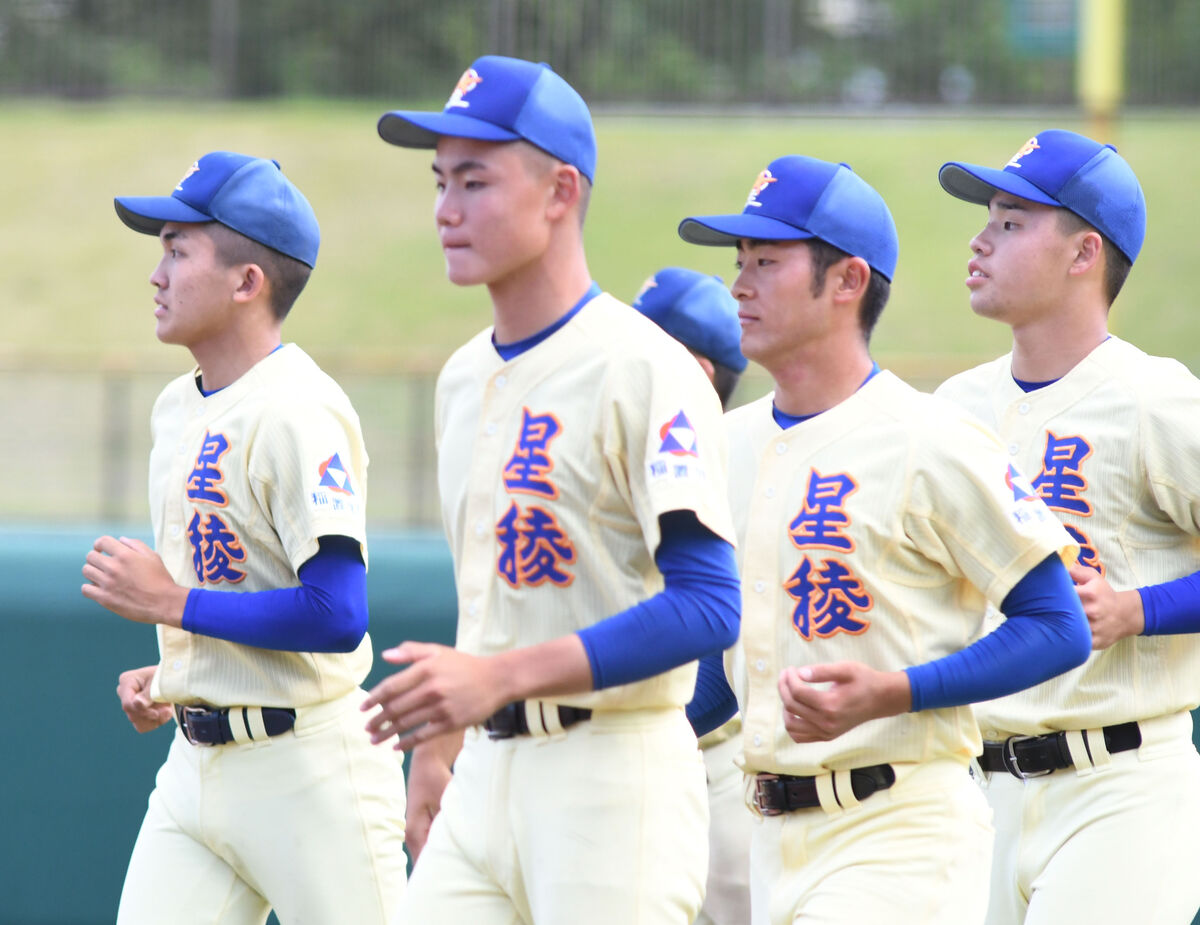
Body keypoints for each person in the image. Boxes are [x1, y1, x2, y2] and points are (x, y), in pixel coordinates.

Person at [364, 56, 742, 925]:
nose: (446, 208)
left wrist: (494, 677)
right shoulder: (462, 377)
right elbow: (495, 601)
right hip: (483, 779)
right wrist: (440, 740)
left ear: (560, 191)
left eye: (475, 180)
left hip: (612, 776)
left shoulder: (645, 366)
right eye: (439, 181)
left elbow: (709, 605)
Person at [676, 154, 1093, 925]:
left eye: (766, 261)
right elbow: (723, 668)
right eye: (739, 261)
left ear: (847, 280)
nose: (739, 285)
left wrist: (893, 692)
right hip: (769, 839)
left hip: (900, 832)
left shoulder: (930, 438)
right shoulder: (726, 444)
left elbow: (1057, 624)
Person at [81, 151, 409, 925]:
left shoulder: (300, 409)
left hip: (311, 770)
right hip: (193, 767)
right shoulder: (176, 406)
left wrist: (172, 602)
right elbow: (234, 589)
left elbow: (337, 613)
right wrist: (180, 670)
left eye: (177, 250)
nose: (156, 273)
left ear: (247, 281)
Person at [935, 128, 1200, 924]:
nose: (980, 239)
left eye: (1012, 221)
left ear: (1086, 253)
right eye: (987, 217)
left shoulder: (1153, 398)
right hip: (973, 793)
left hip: (1120, 788)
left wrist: (1137, 609)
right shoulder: (954, 408)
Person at [632, 266, 752, 925]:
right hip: (634, 757)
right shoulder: (620, 455)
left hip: (722, 770)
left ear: (697, 372)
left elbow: (721, 661)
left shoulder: (739, 462)